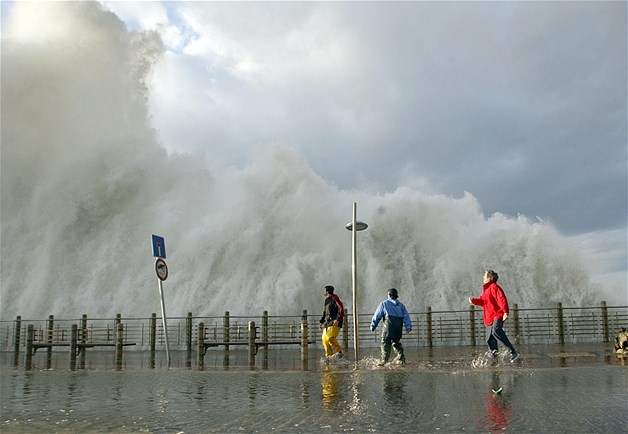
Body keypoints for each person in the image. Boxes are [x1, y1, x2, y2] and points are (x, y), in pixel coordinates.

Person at [469, 270, 519, 363]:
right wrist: (474, 301)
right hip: (489, 316)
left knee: (496, 330)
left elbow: (502, 299)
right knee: (489, 338)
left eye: (485, 276)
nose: (483, 278)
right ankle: (494, 358)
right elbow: (483, 301)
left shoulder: (494, 287)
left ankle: (513, 351)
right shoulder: (486, 289)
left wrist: (505, 312)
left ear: (490, 278)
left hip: (497, 314)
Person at [370, 288, 412, 366]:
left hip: (388, 328)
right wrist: (408, 326)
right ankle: (401, 358)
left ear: (389, 295)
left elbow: (377, 316)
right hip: (398, 329)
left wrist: (373, 325)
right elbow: (406, 316)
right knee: (396, 342)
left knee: (385, 342)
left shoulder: (384, 304)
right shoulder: (401, 306)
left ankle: (384, 360)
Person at [319, 285, 344, 359]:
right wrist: (321, 322)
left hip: (335, 321)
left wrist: (338, 319)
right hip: (327, 322)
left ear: (327, 291)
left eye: (325, 291)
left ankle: (340, 351)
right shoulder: (327, 300)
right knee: (324, 340)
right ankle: (328, 357)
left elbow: (341, 309)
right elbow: (324, 312)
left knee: (330, 337)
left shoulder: (335, 298)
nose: (324, 292)